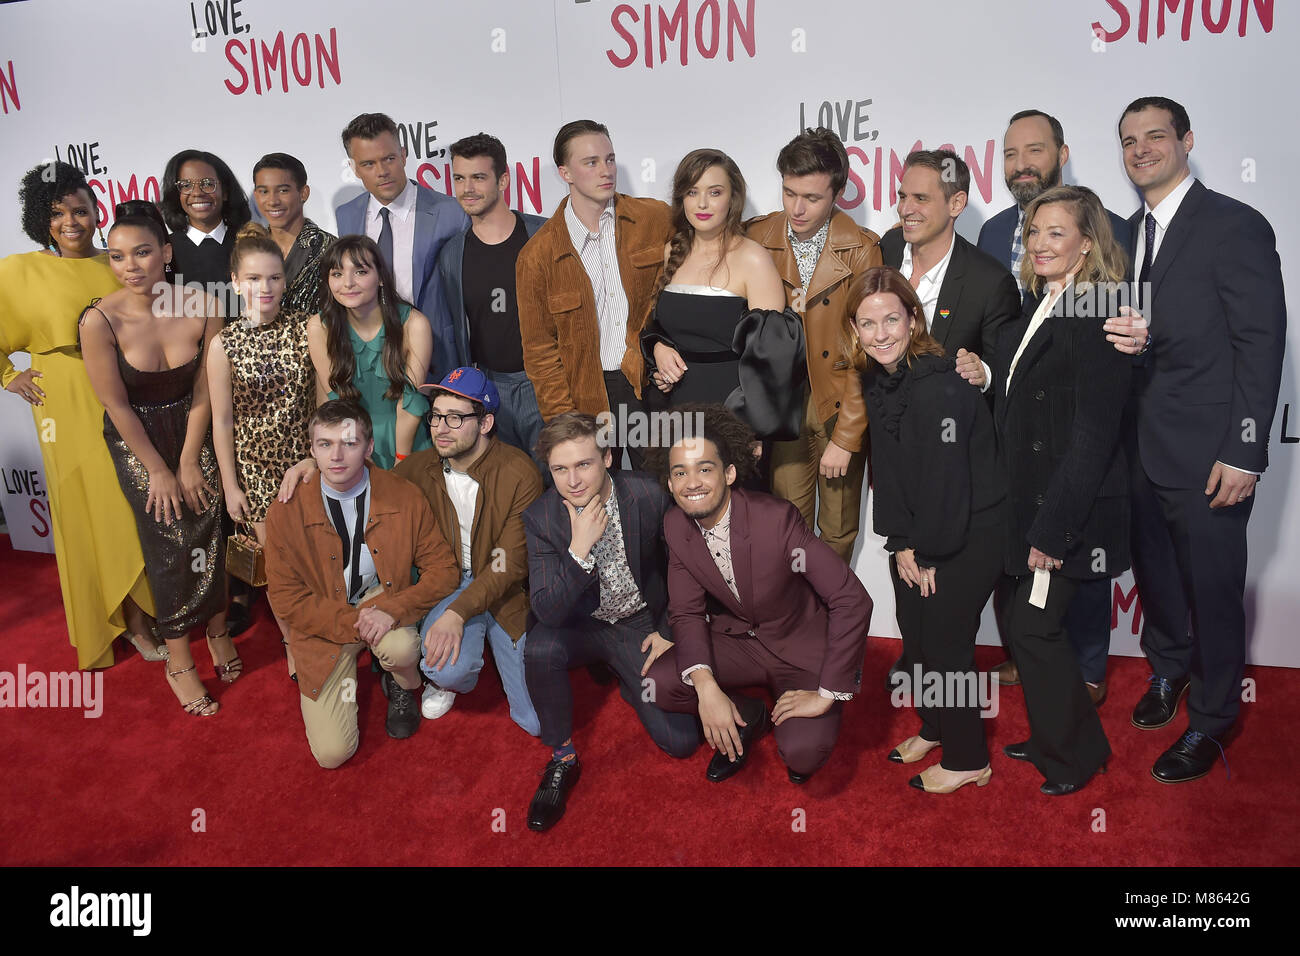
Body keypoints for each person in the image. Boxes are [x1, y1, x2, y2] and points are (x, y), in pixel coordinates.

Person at [1104, 97, 1287, 784]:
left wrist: (1245, 449)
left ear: (1187, 141)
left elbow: (1260, 344)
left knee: (1211, 588)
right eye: (1129, 140)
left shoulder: (1234, 226)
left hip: (1211, 452)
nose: (1141, 149)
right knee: (1156, 578)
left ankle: (1212, 719)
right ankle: (1169, 671)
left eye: (1155, 136)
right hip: (1140, 447)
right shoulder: (1124, 235)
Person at [975, 109, 1128, 700]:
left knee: (1076, 565)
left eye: (1033, 151)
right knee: (1028, 576)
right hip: (1024, 423)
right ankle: (1035, 661)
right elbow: (1009, 334)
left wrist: (1138, 334)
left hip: (1073, 429)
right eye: (1010, 155)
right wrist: (986, 372)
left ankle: (1086, 672)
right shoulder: (994, 235)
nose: (1021, 165)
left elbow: (1122, 322)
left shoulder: (1109, 248)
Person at [988, 185, 1131, 795]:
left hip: (1068, 511)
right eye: (1035, 231)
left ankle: (1073, 756)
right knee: (1028, 631)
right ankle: (1058, 737)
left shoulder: (1099, 310)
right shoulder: (1043, 304)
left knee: (1036, 629)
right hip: (1033, 504)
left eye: (1056, 233)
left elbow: (1093, 437)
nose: (1040, 244)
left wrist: (1053, 531)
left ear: (1086, 245)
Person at [644, 405, 870, 784]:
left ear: (729, 473)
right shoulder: (674, 525)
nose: (692, 482)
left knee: (802, 754)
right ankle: (751, 714)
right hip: (738, 641)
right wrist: (708, 689)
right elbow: (685, 611)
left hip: (798, 647)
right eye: (680, 472)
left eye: (705, 469)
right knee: (660, 684)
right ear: (669, 484)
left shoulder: (776, 519)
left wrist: (827, 693)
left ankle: (799, 712)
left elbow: (852, 598)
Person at [848, 269, 1004, 793]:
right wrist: (899, 542)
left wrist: (927, 552)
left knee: (945, 643)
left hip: (969, 528)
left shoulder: (938, 386)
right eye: (867, 323)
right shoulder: (877, 377)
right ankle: (936, 727)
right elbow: (889, 470)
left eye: (892, 318)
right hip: (919, 531)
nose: (881, 333)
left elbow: (947, 481)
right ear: (854, 330)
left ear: (913, 318)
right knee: (916, 636)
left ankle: (968, 758)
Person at [0, 162, 159, 668]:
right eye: (56, 213)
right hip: (65, 401)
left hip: (124, 389)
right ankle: (125, 623)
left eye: (80, 210)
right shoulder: (19, 270)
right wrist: (9, 375)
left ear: (96, 212)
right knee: (92, 511)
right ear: (38, 220)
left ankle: (149, 611)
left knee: (134, 504)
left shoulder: (113, 263)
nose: (70, 221)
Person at [79, 201, 229, 716]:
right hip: (137, 439)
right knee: (169, 543)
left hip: (194, 427)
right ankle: (180, 662)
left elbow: (208, 385)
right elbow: (115, 404)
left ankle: (218, 630)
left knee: (210, 526)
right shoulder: (99, 320)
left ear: (165, 252)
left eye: (142, 252)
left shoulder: (204, 303)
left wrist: (189, 458)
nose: (131, 266)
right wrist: (160, 469)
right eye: (118, 257)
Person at [877, 148, 1020, 688]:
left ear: (956, 203)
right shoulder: (886, 249)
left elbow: (1008, 364)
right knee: (903, 564)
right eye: (902, 195)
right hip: (894, 449)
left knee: (939, 583)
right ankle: (916, 661)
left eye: (920, 198)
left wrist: (981, 368)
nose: (906, 208)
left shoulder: (988, 280)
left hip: (950, 462)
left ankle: (944, 677)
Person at [521, 412, 700, 831]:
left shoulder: (648, 494)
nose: (573, 480)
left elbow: (685, 567)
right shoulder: (542, 517)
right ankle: (562, 759)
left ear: (607, 456)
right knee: (539, 647)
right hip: (576, 626)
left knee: (681, 742)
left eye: (583, 464)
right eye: (560, 469)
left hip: (636, 623)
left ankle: (623, 674)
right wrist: (579, 552)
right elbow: (547, 611)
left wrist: (669, 630)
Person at [264, 400, 460, 768]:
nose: (336, 456)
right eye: (325, 445)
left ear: (369, 448)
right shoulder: (286, 510)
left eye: (349, 443)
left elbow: (444, 570)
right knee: (332, 755)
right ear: (311, 450)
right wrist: (357, 623)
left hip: (380, 598)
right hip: (323, 620)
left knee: (402, 649)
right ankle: (360, 664)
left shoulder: (402, 495)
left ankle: (401, 684)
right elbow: (287, 599)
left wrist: (391, 610)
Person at [746, 128, 882, 560]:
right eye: (789, 193)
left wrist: (846, 437)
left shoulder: (861, 249)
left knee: (838, 529)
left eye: (812, 197)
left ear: (838, 193)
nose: (797, 208)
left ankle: (832, 621)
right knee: (787, 523)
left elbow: (868, 351)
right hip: (782, 405)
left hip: (839, 403)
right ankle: (796, 623)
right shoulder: (757, 237)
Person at [391, 367, 542, 733]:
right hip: (450, 581)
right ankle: (448, 678)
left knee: (535, 722)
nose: (440, 428)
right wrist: (308, 466)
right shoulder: (418, 468)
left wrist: (458, 614)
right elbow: (368, 483)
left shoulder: (519, 472)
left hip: (504, 589)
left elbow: (511, 565)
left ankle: (485, 633)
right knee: (445, 667)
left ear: (486, 422)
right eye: (437, 416)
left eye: (455, 418)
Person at [517, 120, 673, 469]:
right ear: (565, 172)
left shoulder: (655, 219)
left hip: (649, 385)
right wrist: (563, 421)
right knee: (602, 500)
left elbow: (686, 291)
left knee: (665, 491)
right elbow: (540, 352)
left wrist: (668, 347)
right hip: (586, 396)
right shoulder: (536, 256)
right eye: (591, 162)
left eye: (610, 159)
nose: (606, 171)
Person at [207, 222, 316, 681]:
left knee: (317, 558)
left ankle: (323, 632)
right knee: (280, 571)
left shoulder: (309, 328)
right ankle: (293, 643)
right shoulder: (223, 343)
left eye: (273, 277)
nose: (264, 287)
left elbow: (328, 400)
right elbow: (222, 421)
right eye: (253, 278)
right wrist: (231, 485)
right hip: (255, 475)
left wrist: (316, 457)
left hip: (310, 468)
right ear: (235, 282)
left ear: (284, 280)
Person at [640, 148, 801, 456]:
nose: (702, 204)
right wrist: (659, 350)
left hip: (734, 418)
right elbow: (661, 325)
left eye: (714, 192)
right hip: (675, 411)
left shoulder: (753, 259)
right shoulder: (672, 250)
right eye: (692, 192)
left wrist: (755, 429)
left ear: (733, 198)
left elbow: (774, 359)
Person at [335, 112, 468, 380]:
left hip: (439, 359)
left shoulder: (452, 213)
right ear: (354, 168)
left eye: (389, 159)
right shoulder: (346, 215)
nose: (382, 171)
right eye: (369, 164)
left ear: (404, 155)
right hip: (370, 363)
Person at [436, 133, 546, 454]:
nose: (467, 188)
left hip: (543, 382)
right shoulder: (452, 254)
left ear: (503, 180)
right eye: (459, 178)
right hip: (487, 387)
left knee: (556, 484)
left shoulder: (543, 235)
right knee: (505, 489)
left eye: (478, 177)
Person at [306, 235, 433, 469]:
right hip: (351, 442)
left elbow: (411, 403)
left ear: (381, 278)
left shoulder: (414, 324)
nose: (348, 283)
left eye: (360, 272)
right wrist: (360, 456)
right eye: (337, 274)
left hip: (408, 441)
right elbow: (337, 400)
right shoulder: (319, 327)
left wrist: (401, 461)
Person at [251, 152, 336, 315]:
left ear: (303, 193)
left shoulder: (332, 249)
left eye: (283, 191)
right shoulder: (248, 249)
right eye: (264, 192)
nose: (272, 201)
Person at [160, 149, 251, 294]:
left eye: (208, 183)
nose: (197, 193)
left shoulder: (251, 244)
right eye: (186, 185)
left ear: (225, 192)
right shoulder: (164, 252)